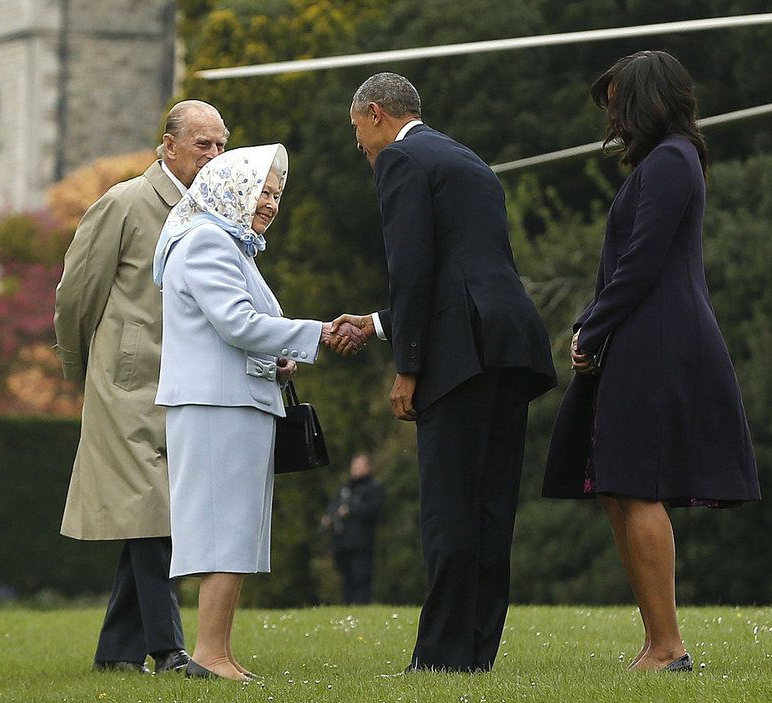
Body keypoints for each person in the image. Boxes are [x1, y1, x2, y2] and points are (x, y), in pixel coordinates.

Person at [542, 51, 761, 672]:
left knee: (636, 485)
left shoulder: (671, 161)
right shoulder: (665, 163)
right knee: (617, 486)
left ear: (645, 100)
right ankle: (657, 642)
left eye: (616, 101)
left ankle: (667, 647)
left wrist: (590, 326)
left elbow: (642, 262)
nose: (611, 114)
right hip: (640, 337)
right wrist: (599, 325)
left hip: (659, 341)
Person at [335, 72, 557, 673]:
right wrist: (382, 324)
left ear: (376, 114)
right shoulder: (468, 161)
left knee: (449, 510)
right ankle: (476, 651)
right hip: (509, 346)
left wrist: (407, 367)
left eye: (360, 134)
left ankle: (439, 657)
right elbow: (463, 271)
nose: (362, 148)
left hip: (459, 359)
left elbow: (414, 271)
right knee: (491, 507)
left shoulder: (402, 161)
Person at [153, 143, 366, 681]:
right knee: (224, 526)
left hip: (233, 401)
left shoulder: (230, 244)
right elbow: (238, 324)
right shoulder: (207, 242)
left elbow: (236, 332)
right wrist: (314, 333)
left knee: (237, 526)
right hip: (215, 405)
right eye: (261, 191)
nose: (270, 202)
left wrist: (278, 357)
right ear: (230, 188)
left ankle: (217, 652)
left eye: (276, 193)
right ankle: (208, 653)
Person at [54, 100, 229, 674]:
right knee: (156, 515)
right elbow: (76, 297)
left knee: (155, 514)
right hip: (127, 386)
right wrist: (85, 374)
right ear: (169, 145)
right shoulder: (124, 203)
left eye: (222, 145)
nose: (215, 155)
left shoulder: (215, 213)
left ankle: (116, 654)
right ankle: (168, 647)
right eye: (203, 144)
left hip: (188, 383)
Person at [322, 453, 385, 604]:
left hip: (362, 542)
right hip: (343, 542)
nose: (355, 469)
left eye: (359, 466)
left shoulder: (373, 488)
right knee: (346, 578)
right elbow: (334, 505)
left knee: (361, 577)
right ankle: (348, 606)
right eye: (354, 466)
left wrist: (351, 510)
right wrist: (329, 517)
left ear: (368, 467)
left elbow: (374, 510)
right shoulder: (346, 488)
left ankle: (361, 606)